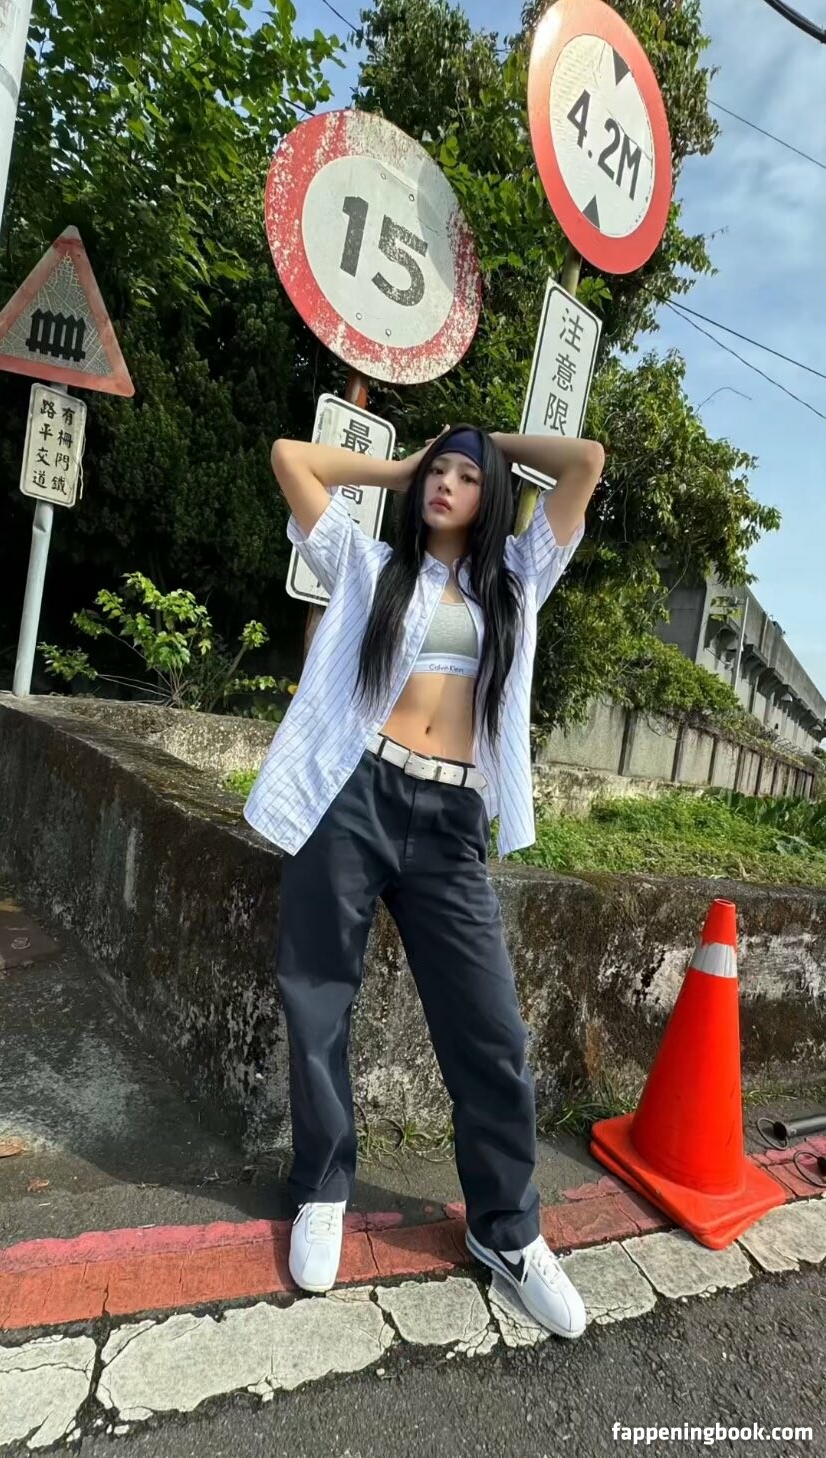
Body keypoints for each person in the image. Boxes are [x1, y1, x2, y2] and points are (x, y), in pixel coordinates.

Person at [244, 423, 605, 1338]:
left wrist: (487, 443)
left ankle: (506, 1230)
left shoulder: (517, 579)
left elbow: (585, 462)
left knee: (490, 1029)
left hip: (452, 819)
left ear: (492, 494)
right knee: (317, 996)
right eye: (438, 471)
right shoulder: (370, 567)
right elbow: (292, 458)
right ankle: (322, 1188)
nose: (446, 483)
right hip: (354, 792)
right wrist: (405, 466)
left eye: (465, 476)